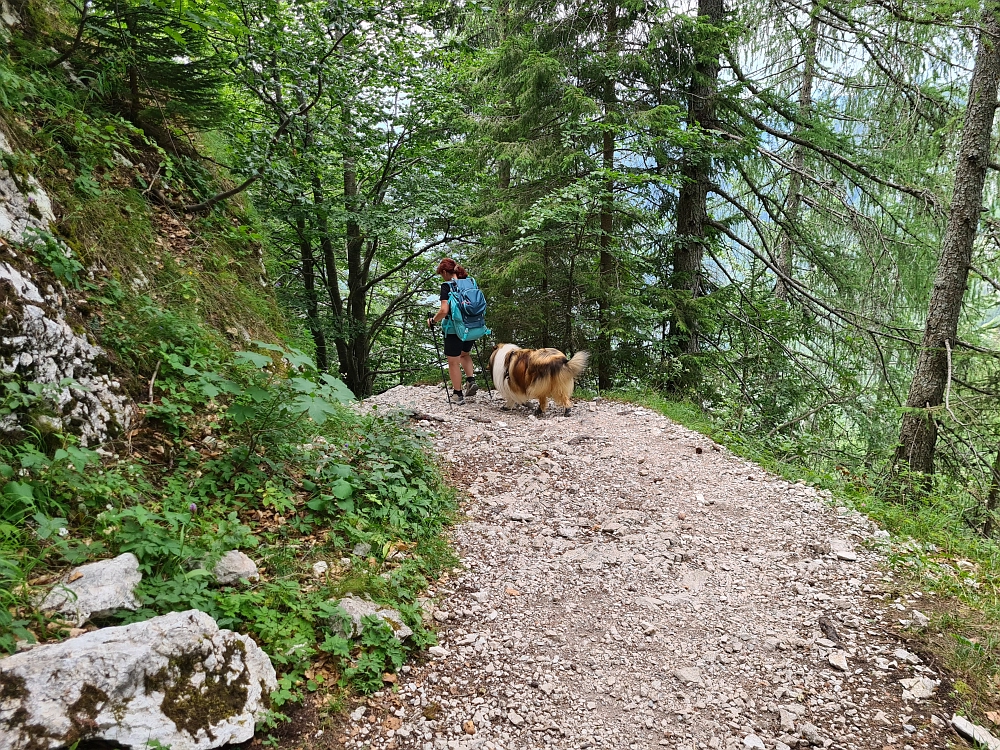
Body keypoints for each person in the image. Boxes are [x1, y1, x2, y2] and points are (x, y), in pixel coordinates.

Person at [428, 258, 480, 405]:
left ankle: (458, 394)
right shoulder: (470, 282)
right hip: (472, 325)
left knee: (453, 361)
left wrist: (433, 320)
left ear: (445, 272)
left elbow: (444, 310)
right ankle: (471, 380)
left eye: (441, 274)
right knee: (465, 354)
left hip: (454, 328)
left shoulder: (446, 286)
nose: (442, 277)